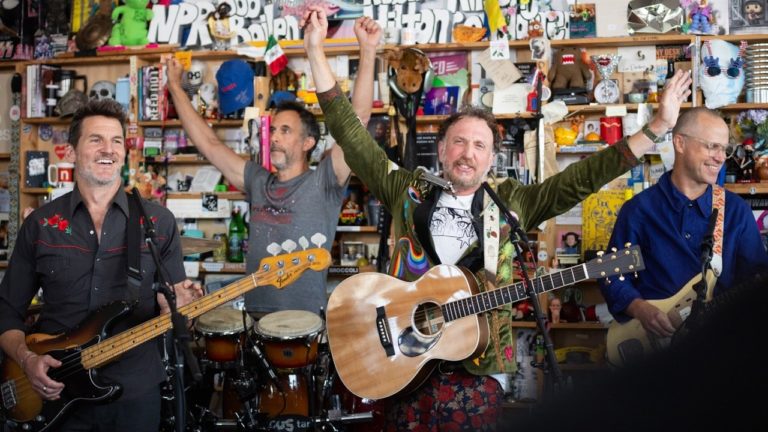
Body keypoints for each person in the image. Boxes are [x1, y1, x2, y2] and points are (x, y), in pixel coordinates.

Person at [302, 6, 693, 429]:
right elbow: (350, 134)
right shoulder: (408, 190)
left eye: (479, 146)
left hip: (478, 370)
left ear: (491, 159)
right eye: (459, 142)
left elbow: (583, 179)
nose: (467, 153)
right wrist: (314, 49)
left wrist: (657, 126)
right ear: (442, 149)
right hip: (402, 364)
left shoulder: (511, 204)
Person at [0, 99, 203, 431]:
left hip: (135, 392)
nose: (108, 149)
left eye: (117, 141)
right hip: (57, 391)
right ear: (71, 151)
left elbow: (177, 309)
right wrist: (26, 359)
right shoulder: (41, 225)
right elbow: (7, 310)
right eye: (96, 139)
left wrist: (182, 309)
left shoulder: (158, 223)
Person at [162, 16, 381, 317]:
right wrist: (175, 86)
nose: (274, 137)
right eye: (273, 130)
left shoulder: (325, 181)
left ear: (308, 142)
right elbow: (209, 145)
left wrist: (368, 50)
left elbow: (358, 121)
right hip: (254, 320)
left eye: (285, 131)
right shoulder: (258, 181)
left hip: (304, 323)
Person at [600, 107, 768, 339]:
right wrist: (639, 308)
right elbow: (611, 274)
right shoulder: (638, 210)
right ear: (680, 143)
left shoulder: (736, 211)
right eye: (712, 146)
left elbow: (757, 283)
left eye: (724, 149)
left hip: (719, 346)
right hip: (654, 349)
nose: (720, 157)